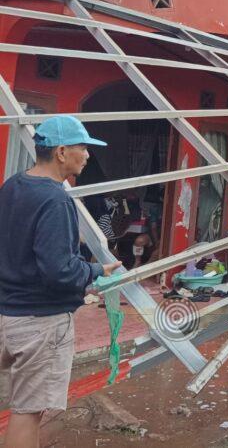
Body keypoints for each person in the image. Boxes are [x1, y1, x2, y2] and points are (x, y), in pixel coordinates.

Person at [0, 116, 122, 448]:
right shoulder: (55, 199)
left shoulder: (13, 185)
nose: (87, 155)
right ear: (62, 152)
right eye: (83, 148)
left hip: (7, 312)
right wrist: (95, 271)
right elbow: (59, 271)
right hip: (40, 322)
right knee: (28, 411)